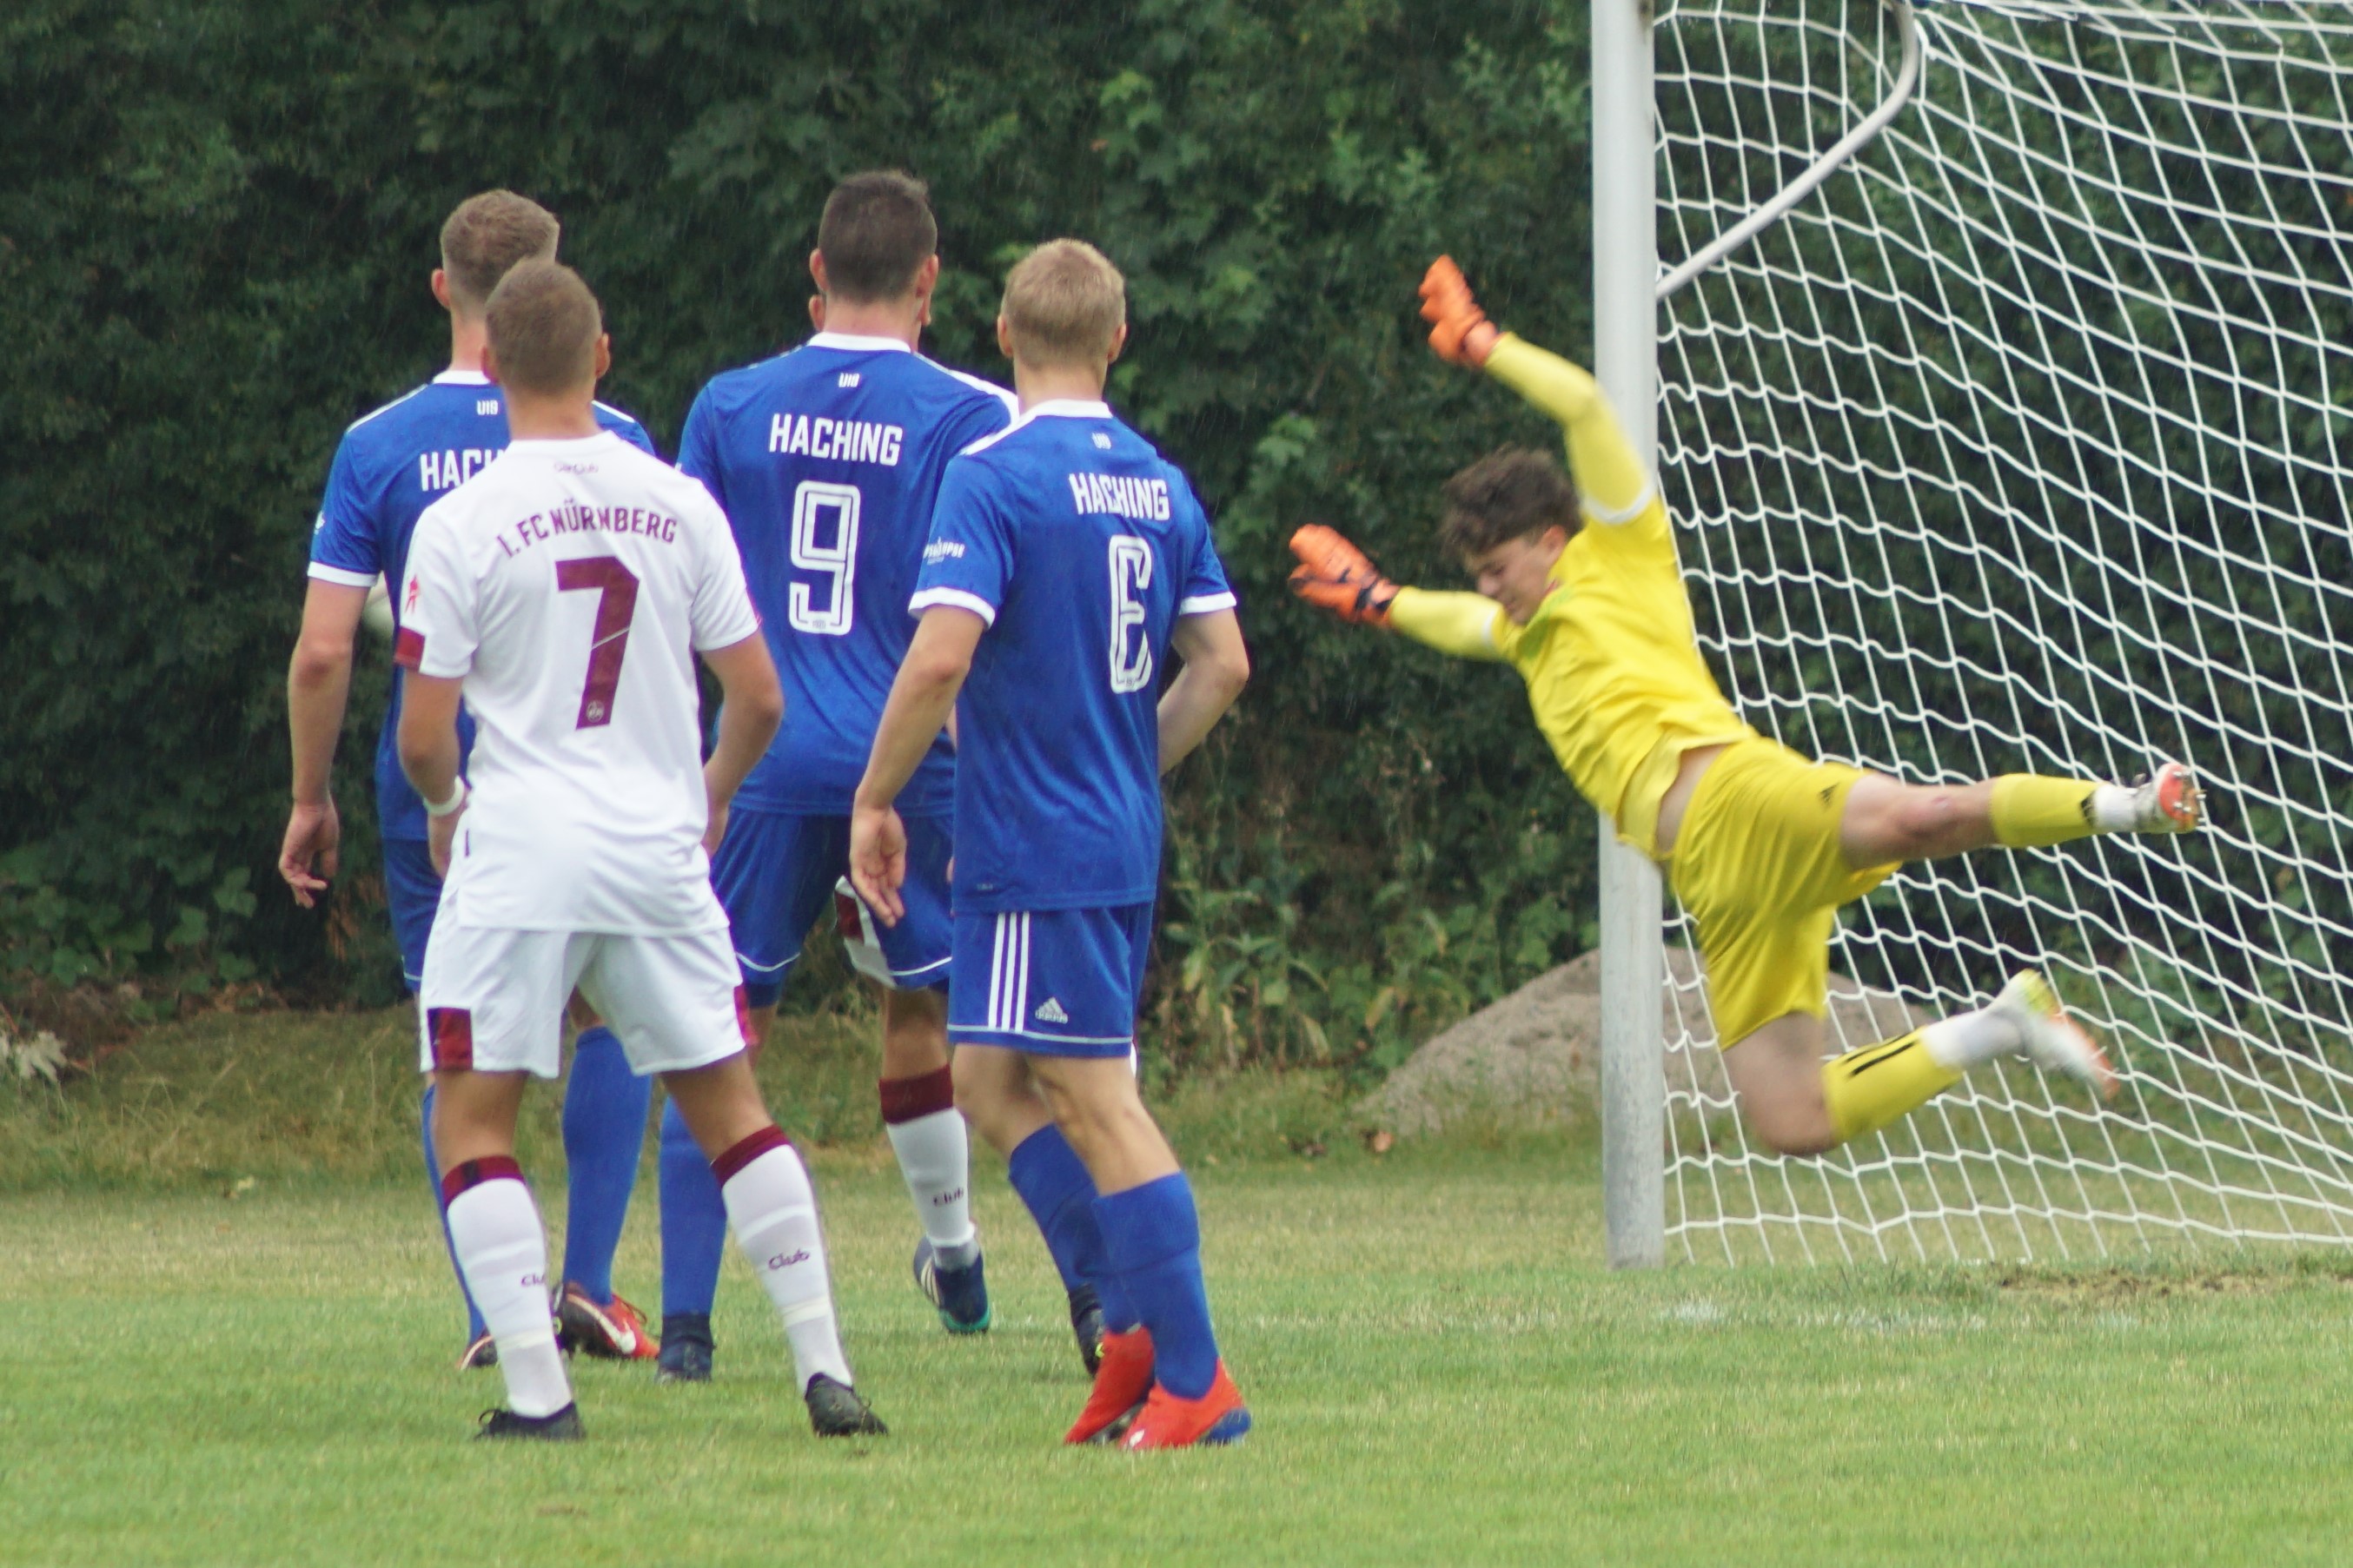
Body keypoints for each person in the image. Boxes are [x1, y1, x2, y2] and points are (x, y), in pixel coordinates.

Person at [1287, 258, 2204, 1156]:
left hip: (1741, 797)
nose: (1491, 590)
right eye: (1479, 579)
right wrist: (1382, 601)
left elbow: (1583, 407)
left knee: (1925, 815)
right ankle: (2004, 1024)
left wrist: (1486, 343)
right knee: (1791, 1121)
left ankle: (2128, 803)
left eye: (1498, 569)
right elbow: (1459, 623)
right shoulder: (1526, 633)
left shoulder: (1620, 552)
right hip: (1718, 887)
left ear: (1551, 539)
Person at [396, 259, 884, 1441]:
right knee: (734, 1110)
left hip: (520, 849)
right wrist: (707, 794)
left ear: (493, 365)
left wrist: (448, 800)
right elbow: (758, 697)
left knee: (474, 1119)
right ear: (602, 359)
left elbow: (422, 732)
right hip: (656, 848)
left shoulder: (458, 522)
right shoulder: (677, 502)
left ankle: (536, 1394)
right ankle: (825, 1369)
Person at [851, 239, 1254, 1449]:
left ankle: (1196, 1377)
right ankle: (1131, 1328)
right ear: (1117, 340)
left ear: (1004, 335)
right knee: (984, 1079)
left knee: (1088, 1093)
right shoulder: (1158, 479)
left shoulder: (995, 475)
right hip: (1106, 827)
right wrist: (1133, 761)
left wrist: (877, 796)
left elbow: (937, 656)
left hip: (1040, 837)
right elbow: (1223, 662)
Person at [280, 189, 660, 1368]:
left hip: (440, 790)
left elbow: (326, 647)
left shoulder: (380, 445)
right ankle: (588, 1283)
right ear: (560, 292)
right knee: (601, 1019)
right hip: (593, 781)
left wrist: (310, 795)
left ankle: (494, 1314)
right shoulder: (624, 440)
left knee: (456, 1039)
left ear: (444, 289)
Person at [659, 171, 1025, 1383]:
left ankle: (689, 1332)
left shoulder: (729, 402)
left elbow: (686, 589)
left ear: (815, 275)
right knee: (922, 1011)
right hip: (904, 763)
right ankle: (956, 1252)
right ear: (931, 282)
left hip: (758, 758)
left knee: (709, 1032)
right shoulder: (974, 412)